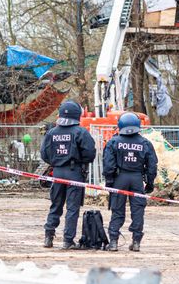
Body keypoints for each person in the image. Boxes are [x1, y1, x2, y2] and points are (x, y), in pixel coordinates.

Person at [40, 100, 97, 250]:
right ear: (77, 115)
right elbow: (90, 153)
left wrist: (56, 161)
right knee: (72, 208)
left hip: (57, 172)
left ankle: (48, 236)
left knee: (55, 205)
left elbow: (44, 154)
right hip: (74, 173)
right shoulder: (81, 132)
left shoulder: (51, 132)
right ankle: (68, 240)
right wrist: (79, 162)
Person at [102, 112, 158, 252]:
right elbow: (152, 166)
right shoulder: (145, 143)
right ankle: (136, 242)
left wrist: (109, 182)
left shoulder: (114, 142)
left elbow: (108, 165)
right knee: (138, 210)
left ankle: (113, 241)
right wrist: (150, 183)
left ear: (120, 125)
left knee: (117, 210)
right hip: (137, 179)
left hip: (119, 179)